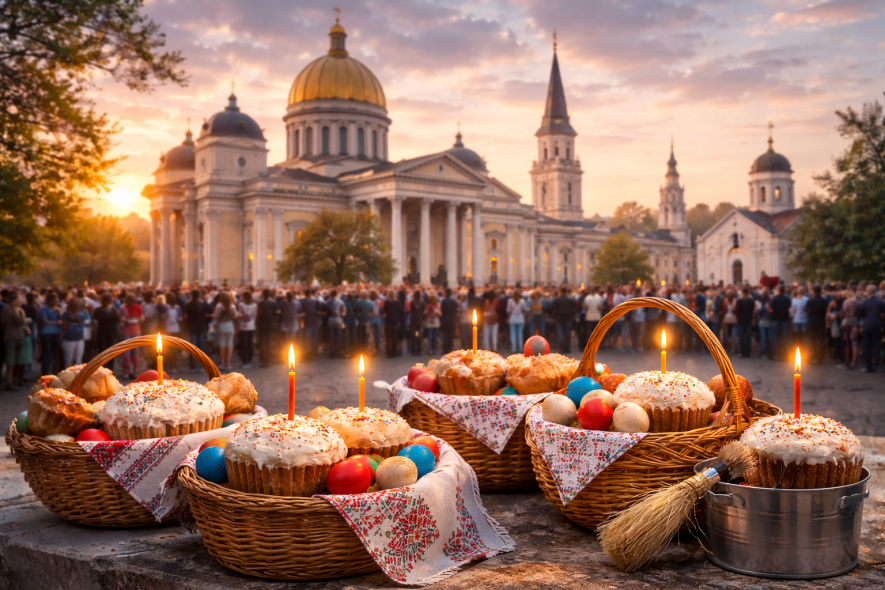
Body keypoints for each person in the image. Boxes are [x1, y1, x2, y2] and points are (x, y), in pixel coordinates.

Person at [1, 292, 32, 390]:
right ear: (13, 301)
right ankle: (9, 382)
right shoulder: (7, 310)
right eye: (18, 300)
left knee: (18, 360)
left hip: (19, 336)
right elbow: (4, 323)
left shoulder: (19, 310)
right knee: (10, 361)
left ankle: (16, 380)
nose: (21, 301)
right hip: (11, 337)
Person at [859, 285, 885, 373]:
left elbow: (861, 312)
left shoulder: (865, 302)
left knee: (867, 346)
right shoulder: (880, 302)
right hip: (877, 324)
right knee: (876, 344)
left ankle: (869, 366)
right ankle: (876, 364)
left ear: (868, 292)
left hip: (867, 325)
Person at [37, 292, 62, 376]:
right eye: (55, 300)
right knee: (46, 353)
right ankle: (45, 373)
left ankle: (52, 371)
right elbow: (44, 320)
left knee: (54, 354)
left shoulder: (58, 309)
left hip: (56, 333)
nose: (56, 302)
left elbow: (62, 318)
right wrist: (56, 322)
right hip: (46, 334)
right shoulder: (43, 309)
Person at [93, 293, 119, 371]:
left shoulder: (98, 309)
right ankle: (110, 369)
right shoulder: (113, 309)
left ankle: (103, 368)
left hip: (102, 332)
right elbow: (117, 319)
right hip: (111, 332)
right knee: (111, 352)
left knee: (102, 352)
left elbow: (95, 321)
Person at [183, 290, 206, 373]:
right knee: (201, 347)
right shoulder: (202, 303)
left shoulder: (188, 304)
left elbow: (186, 316)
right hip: (201, 326)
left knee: (192, 347)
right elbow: (208, 313)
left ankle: (193, 365)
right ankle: (203, 365)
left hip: (192, 326)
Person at [213, 292, 237, 371]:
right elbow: (234, 316)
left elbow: (216, 317)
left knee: (222, 345)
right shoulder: (232, 306)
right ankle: (228, 363)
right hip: (230, 326)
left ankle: (222, 363)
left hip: (222, 326)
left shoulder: (219, 306)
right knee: (229, 344)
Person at [806, 285, 829, 365]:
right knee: (821, 340)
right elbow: (826, 311)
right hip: (821, 322)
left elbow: (807, 310)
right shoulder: (824, 301)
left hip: (812, 322)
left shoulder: (810, 301)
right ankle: (820, 358)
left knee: (812, 340)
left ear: (813, 292)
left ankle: (812, 356)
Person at [61, 298, 87, 367]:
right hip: (69, 338)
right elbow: (64, 326)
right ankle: (67, 376)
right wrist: (61, 337)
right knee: (69, 359)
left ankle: (79, 376)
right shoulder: (67, 314)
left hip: (80, 338)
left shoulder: (83, 313)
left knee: (79, 359)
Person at [768, 285, 792, 360]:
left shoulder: (775, 298)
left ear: (778, 290)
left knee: (775, 338)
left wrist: (769, 311)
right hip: (785, 320)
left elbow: (772, 310)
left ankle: (775, 354)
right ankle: (785, 354)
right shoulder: (787, 298)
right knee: (785, 338)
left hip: (777, 320)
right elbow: (790, 309)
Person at [257, 288, 280, 365]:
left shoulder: (261, 303)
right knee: (269, 341)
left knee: (263, 341)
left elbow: (259, 313)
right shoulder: (273, 302)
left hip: (262, 323)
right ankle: (268, 357)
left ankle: (263, 359)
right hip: (270, 323)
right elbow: (277, 311)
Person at [838, 288, 860, 369]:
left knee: (847, 343)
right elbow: (860, 313)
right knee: (854, 342)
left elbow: (843, 313)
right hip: (855, 322)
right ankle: (854, 362)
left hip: (847, 322)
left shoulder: (845, 302)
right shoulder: (857, 302)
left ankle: (847, 361)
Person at [237, 290, 257, 368]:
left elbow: (239, 315)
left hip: (243, 326)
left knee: (244, 344)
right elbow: (255, 315)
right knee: (250, 343)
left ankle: (245, 360)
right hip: (251, 326)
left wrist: (243, 315)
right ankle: (250, 360)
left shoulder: (241, 305)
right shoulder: (254, 305)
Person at [552, 287, 575, 354]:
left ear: (560, 292)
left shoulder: (557, 300)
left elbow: (554, 309)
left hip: (559, 318)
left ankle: (561, 347)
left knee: (560, 334)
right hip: (568, 318)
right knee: (567, 334)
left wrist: (554, 317)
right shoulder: (570, 299)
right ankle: (567, 348)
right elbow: (573, 309)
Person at [301, 290, 322, 360]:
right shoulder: (315, 301)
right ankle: (314, 352)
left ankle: (308, 352)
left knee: (308, 338)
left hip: (307, 321)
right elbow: (319, 309)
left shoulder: (302, 301)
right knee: (314, 337)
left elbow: (302, 310)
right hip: (315, 321)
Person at [383, 288, 404, 359]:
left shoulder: (387, 302)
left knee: (388, 337)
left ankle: (389, 352)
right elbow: (400, 311)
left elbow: (384, 310)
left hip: (388, 320)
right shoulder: (397, 302)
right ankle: (394, 351)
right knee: (395, 337)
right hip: (395, 321)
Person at [325, 289, 345, 359]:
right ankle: (338, 351)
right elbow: (343, 310)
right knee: (339, 335)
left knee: (331, 335)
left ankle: (331, 351)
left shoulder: (328, 301)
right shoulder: (340, 301)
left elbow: (325, 309)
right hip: (338, 319)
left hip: (331, 319)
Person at [736, 287, 755, 358]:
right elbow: (752, 309)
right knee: (748, 336)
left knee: (741, 336)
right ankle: (748, 351)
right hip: (748, 319)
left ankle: (742, 351)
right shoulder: (750, 300)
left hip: (740, 320)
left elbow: (737, 310)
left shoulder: (739, 301)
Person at [506, 289, 527, 354]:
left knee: (513, 334)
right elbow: (524, 309)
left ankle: (513, 349)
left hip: (512, 319)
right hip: (520, 318)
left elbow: (508, 311)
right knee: (520, 334)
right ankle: (520, 349)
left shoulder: (510, 301)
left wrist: (508, 317)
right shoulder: (522, 301)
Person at [440, 288, 458, 354]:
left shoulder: (443, 301)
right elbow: (456, 309)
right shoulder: (453, 301)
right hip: (452, 319)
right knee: (451, 335)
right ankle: (450, 349)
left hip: (445, 319)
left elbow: (442, 310)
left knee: (445, 334)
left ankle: (445, 349)